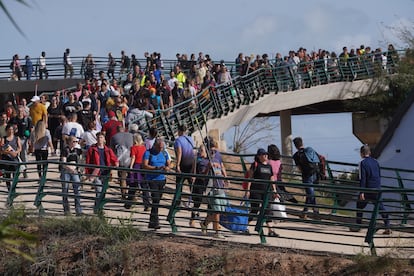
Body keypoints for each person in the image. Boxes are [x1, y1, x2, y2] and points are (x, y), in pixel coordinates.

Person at [349, 145, 391, 235]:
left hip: (368, 189)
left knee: (359, 206)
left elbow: (362, 178)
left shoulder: (362, 163)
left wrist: (362, 192)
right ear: (370, 153)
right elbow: (379, 175)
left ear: (361, 153)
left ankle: (358, 225)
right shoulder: (376, 162)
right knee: (381, 207)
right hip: (377, 188)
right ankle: (387, 226)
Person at [244, 148, 279, 237]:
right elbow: (250, 178)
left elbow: (272, 179)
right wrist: (247, 191)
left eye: (266, 154)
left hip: (266, 192)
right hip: (256, 191)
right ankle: (245, 227)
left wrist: (274, 190)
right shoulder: (255, 165)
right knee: (254, 209)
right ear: (259, 156)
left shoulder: (269, 166)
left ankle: (270, 230)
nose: (266, 156)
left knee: (267, 210)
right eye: (263, 154)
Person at [199, 138, 229, 238]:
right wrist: (208, 166)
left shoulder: (218, 156)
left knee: (222, 208)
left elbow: (222, 166)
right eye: (211, 150)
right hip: (211, 187)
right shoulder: (203, 161)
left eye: (214, 149)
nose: (213, 152)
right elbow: (203, 176)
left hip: (219, 185)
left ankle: (205, 223)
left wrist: (225, 178)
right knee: (216, 210)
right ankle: (217, 232)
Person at [85, 132, 119, 213]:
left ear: (104, 139)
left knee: (103, 192)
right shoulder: (92, 149)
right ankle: (98, 209)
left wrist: (116, 163)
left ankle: (98, 207)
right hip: (96, 172)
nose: (99, 139)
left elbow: (114, 158)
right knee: (99, 191)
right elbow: (88, 162)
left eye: (101, 137)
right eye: (98, 138)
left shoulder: (108, 149)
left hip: (105, 173)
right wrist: (88, 174)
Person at [142, 138, 171, 229]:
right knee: (155, 199)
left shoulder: (164, 153)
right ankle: (156, 221)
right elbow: (145, 165)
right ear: (155, 145)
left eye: (162, 147)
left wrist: (168, 167)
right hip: (152, 179)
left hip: (161, 179)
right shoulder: (148, 153)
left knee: (157, 200)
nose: (160, 149)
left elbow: (170, 163)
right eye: (159, 147)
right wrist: (155, 168)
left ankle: (152, 221)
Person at [292, 136, 321, 219]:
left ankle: (315, 212)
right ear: (302, 143)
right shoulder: (310, 150)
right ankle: (305, 212)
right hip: (315, 174)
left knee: (310, 194)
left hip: (306, 175)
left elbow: (299, 168)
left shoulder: (296, 155)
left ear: (295, 146)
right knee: (310, 193)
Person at [60, 136, 83, 216]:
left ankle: (79, 210)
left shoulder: (77, 150)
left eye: (76, 142)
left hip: (74, 171)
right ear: (69, 142)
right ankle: (66, 210)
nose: (75, 143)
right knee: (65, 190)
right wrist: (70, 168)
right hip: (66, 171)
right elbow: (63, 163)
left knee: (77, 190)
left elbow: (82, 156)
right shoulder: (65, 150)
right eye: (74, 142)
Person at [174, 124, 195, 207]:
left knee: (179, 184)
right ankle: (192, 201)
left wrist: (177, 164)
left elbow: (179, 152)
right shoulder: (190, 139)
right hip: (190, 163)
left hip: (183, 163)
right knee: (191, 184)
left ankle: (177, 202)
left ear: (179, 131)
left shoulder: (178, 140)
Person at [110, 125, 133, 198]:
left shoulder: (114, 137)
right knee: (131, 177)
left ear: (117, 130)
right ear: (124, 129)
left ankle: (124, 194)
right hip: (131, 159)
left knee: (122, 178)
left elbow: (112, 150)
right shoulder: (131, 136)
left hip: (120, 159)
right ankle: (131, 194)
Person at [189, 144, 210, 227]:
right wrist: (192, 176)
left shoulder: (209, 160)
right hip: (198, 182)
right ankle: (192, 219)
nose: (200, 152)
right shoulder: (197, 159)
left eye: (202, 150)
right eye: (199, 150)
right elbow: (193, 170)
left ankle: (207, 221)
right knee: (197, 202)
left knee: (210, 203)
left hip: (207, 183)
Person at [9, 105, 32, 178]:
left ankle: (25, 171)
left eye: (21, 111)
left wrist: (29, 139)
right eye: (18, 111)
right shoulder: (13, 119)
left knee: (24, 155)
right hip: (15, 139)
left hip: (24, 139)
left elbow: (30, 129)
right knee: (15, 155)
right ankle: (17, 171)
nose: (20, 113)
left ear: (23, 111)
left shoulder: (27, 119)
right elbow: (8, 127)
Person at [124, 133, 146, 209]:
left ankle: (128, 204)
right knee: (143, 186)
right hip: (142, 166)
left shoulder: (133, 148)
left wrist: (130, 167)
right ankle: (146, 204)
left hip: (136, 166)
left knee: (133, 186)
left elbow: (133, 157)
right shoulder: (144, 148)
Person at [0, 124, 22, 191]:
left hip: (14, 159)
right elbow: (1, 150)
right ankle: (9, 189)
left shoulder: (16, 138)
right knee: (7, 175)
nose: (11, 131)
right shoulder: (3, 138)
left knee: (15, 175)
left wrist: (16, 152)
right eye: (9, 129)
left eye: (12, 129)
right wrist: (9, 152)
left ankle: (14, 188)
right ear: (6, 130)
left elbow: (20, 148)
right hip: (6, 159)